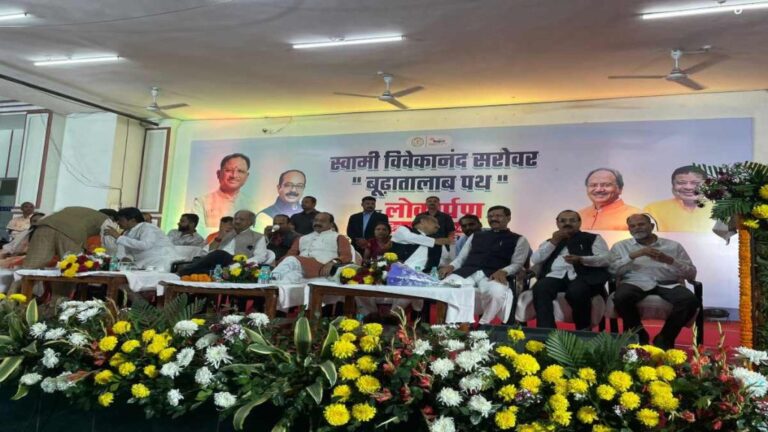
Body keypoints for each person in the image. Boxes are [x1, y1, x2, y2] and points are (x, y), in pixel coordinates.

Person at [609, 214, 698, 349]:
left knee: (689, 300)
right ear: (629, 230)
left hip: (668, 282)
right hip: (635, 282)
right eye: (632, 226)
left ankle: (665, 338)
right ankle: (638, 335)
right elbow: (612, 270)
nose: (637, 228)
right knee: (621, 297)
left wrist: (669, 260)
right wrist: (632, 256)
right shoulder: (621, 246)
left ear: (651, 226)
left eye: (641, 224)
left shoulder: (673, 246)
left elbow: (691, 273)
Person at [439, 206, 531, 324]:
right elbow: (461, 258)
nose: (493, 219)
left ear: (508, 218)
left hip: (493, 275)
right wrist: (451, 266)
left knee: (496, 293)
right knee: (446, 287)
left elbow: (517, 263)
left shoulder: (519, 239)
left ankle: (484, 323)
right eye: (490, 216)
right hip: (467, 272)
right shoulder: (476, 235)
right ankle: (456, 324)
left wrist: (505, 271)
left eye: (498, 216)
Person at [530, 210, 611, 330]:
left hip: (583, 276)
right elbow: (535, 259)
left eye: (572, 220)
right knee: (540, 287)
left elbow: (606, 259)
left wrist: (582, 259)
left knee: (577, 291)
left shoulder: (593, 238)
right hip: (555, 276)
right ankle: (546, 331)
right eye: (563, 221)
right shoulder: (551, 241)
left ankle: (583, 329)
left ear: (579, 222)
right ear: (557, 223)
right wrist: (553, 242)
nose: (567, 223)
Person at [178, 210, 267, 276]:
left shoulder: (257, 237)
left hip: (236, 264)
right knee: (202, 265)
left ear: (250, 222)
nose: (237, 221)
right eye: (236, 219)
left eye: (241, 219)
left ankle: (182, 272)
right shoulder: (227, 233)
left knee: (219, 254)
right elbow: (205, 251)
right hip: (217, 264)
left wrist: (241, 264)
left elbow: (260, 257)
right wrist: (219, 237)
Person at [271, 212, 353, 283]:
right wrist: (275, 264)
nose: (317, 223)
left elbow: (347, 256)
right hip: (300, 268)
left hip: (322, 268)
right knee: (288, 278)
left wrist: (333, 262)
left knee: (291, 259)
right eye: (316, 220)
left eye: (322, 221)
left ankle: (269, 278)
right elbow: (290, 254)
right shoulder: (302, 238)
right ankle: (272, 292)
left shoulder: (339, 237)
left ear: (331, 224)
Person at [23, 207, 109, 269]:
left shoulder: (84, 214)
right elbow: (110, 248)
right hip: (71, 233)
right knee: (71, 267)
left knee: (31, 266)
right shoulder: (108, 220)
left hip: (45, 226)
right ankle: (61, 290)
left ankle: (17, 287)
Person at [105, 207, 180, 272]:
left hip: (160, 263)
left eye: (121, 220)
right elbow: (130, 252)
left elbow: (145, 245)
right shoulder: (127, 233)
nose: (118, 223)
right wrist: (126, 258)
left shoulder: (148, 228)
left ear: (132, 220)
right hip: (145, 264)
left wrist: (119, 237)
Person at [643, 165, 714, 232]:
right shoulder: (654, 209)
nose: (688, 187)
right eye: (681, 182)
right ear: (673, 185)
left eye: (695, 183)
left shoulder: (718, 208)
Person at [193, 153, 252, 229]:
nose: (234, 175)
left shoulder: (253, 205)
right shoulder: (202, 202)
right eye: (228, 170)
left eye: (240, 171)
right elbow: (198, 231)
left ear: (246, 177)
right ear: (219, 174)